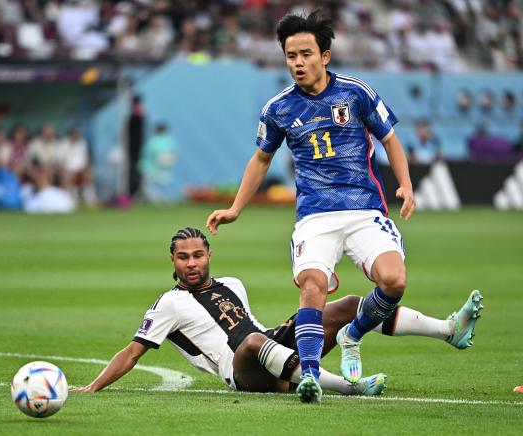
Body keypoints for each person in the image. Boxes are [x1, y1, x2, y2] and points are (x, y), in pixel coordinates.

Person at [205, 11, 416, 403]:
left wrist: (405, 184)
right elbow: (261, 160)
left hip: (363, 209)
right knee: (312, 287)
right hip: (315, 217)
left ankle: (352, 334)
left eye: (305, 54)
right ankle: (312, 375)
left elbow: (389, 139)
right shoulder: (279, 108)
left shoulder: (356, 93)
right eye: (290, 56)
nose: (297, 63)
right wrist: (235, 208)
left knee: (394, 281)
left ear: (325, 56)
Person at [74, 228, 483, 400]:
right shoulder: (168, 304)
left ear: (209, 254)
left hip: (270, 345)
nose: (192, 263)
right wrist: (93, 388)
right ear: (173, 261)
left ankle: (447, 329)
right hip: (242, 371)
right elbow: (132, 352)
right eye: (183, 258)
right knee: (253, 343)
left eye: (198, 255)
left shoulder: (232, 283)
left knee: (345, 306)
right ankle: (349, 388)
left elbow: (254, 323)